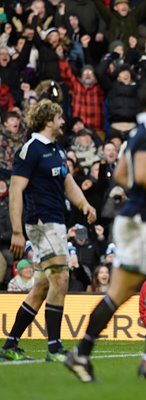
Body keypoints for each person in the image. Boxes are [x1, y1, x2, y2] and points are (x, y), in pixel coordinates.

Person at [64, 80, 146, 383]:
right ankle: (82, 353)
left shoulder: (143, 133)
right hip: (142, 224)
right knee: (121, 292)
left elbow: (124, 174)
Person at [0, 100, 97, 362]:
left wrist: (84, 203)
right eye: (58, 116)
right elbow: (16, 191)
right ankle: (54, 347)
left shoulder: (57, 150)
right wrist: (17, 231)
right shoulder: (30, 150)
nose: (63, 121)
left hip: (55, 222)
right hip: (41, 223)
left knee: (42, 286)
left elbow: (68, 183)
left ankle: (10, 345)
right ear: (47, 120)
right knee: (60, 279)